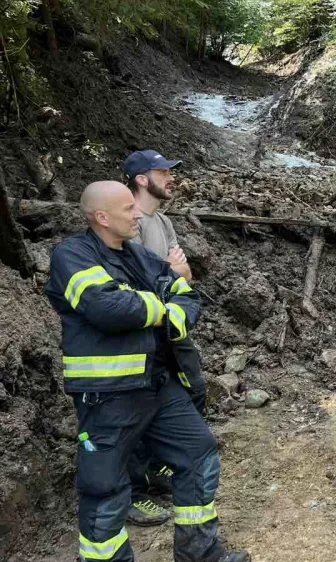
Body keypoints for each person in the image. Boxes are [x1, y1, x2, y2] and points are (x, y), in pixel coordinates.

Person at [45, 181, 248, 562]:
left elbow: (186, 295)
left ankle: (200, 553)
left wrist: (155, 309)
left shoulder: (137, 256)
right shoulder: (71, 255)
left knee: (199, 454)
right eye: (128, 208)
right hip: (108, 396)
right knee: (105, 487)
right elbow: (106, 309)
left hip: (158, 385)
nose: (137, 213)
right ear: (102, 217)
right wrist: (162, 308)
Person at [120, 150, 207, 527]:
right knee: (135, 408)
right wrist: (170, 273)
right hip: (140, 332)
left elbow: (184, 275)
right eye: (162, 172)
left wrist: (171, 274)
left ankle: (158, 465)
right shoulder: (130, 223)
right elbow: (137, 280)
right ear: (142, 179)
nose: (171, 177)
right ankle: (133, 489)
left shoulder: (164, 221)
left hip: (170, 327)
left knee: (193, 388)